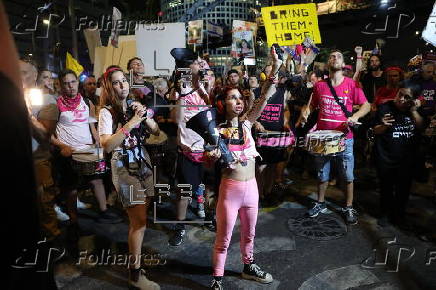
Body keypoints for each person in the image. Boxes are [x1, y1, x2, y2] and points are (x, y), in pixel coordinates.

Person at [207, 47, 282, 290]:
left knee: (249, 235)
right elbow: (208, 161)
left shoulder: (248, 124)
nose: (238, 102)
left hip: (251, 189)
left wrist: (275, 67)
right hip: (229, 191)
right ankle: (217, 279)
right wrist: (213, 155)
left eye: (240, 98)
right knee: (224, 239)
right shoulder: (217, 131)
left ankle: (249, 266)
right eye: (232, 98)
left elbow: (263, 98)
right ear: (223, 103)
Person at [98, 66, 160, 289]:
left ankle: (136, 264)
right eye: (116, 82)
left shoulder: (133, 104)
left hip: (142, 163)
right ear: (109, 86)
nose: (122, 84)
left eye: (124, 80)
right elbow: (106, 145)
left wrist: (144, 116)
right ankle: (135, 275)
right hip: (124, 168)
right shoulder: (107, 112)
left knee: (142, 217)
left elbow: (155, 131)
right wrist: (131, 123)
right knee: (139, 221)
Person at [301, 50, 370, 225]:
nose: (335, 58)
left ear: (343, 63)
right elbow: (311, 105)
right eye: (332, 56)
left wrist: (355, 117)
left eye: (338, 56)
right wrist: (305, 113)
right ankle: (321, 203)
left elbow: (366, 105)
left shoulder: (351, 84)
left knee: (347, 175)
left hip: (344, 138)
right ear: (327, 63)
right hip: (323, 139)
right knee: (321, 173)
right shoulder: (320, 86)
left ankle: (348, 206)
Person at [50, 69, 120, 229]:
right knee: (71, 187)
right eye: (66, 83)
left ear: (77, 83)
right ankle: (74, 220)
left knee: (97, 180)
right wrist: (62, 146)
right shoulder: (55, 105)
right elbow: (49, 134)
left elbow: (92, 127)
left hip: (88, 150)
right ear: (60, 86)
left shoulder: (87, 102)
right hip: (68, 153)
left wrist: (98, 144)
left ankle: (103, 211)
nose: (70, 86)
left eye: (73, 82)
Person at [168, 50, 210, 246]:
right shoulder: (179, 89)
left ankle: (208, 216)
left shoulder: (202, 86)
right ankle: (180, 226)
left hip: (206, 147)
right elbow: (175, 119)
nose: (200, 65)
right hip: (187, 148)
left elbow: (209, 111)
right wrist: (181, 93)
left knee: (206, 186)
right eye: (197, 63)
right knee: (183, 191)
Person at [373, 82, 423, 227]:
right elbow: (375, 130)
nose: (401, 99)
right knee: (386, 188)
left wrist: (413, 111)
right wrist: (383, 126)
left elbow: (420, 126)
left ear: (413, 99)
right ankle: (384, 214)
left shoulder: (414, 110)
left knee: (403, 189)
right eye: (400, 94)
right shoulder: (385, 107)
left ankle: (399, 215)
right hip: (386, 158)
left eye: (406, 97)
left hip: (407, 159)